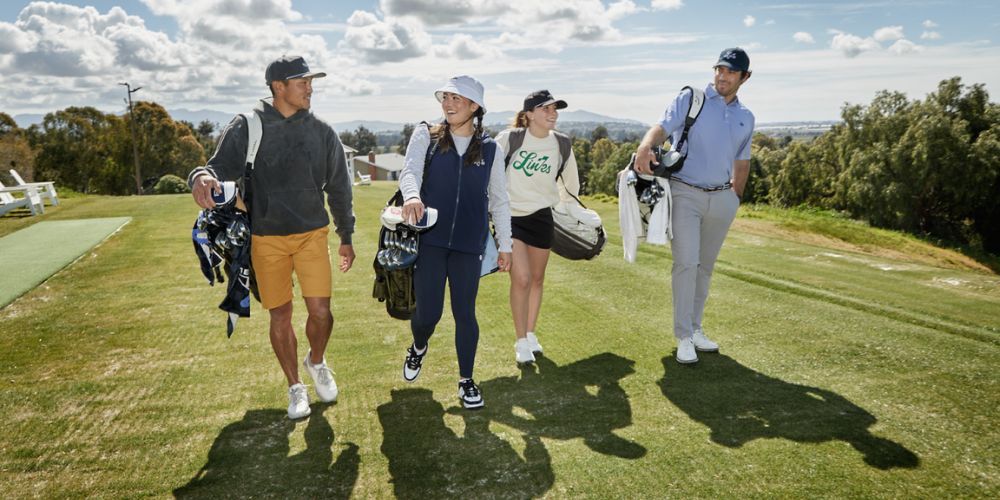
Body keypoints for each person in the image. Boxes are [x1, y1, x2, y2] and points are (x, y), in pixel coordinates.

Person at [188, 55, 356, 419]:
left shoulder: (323, 132)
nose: (310, 88)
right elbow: (215, 167)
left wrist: (346, 234)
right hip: (265, 238)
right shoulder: (247, 127)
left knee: (322, 313)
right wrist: (201, 177)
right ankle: (295, 387)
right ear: (278, 87)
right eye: (302, 82)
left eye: (311, 81)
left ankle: (317, 360)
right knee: (280, 314)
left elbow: (340, 188)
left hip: (312, 233)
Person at [397, 75, 513, 409]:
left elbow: (499, 200)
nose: (448, 104)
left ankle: (466, 381)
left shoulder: (491, 148)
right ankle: (419, 346)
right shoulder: (427, 135)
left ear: (475, 107)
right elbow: (409, 172)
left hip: (469, 244)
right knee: (428, 315)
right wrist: (412, 196)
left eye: (456, 99)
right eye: (445, 97)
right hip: (430, 240)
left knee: (465, 313)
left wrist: (505, 245)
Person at [633, 47, 755, 364]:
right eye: (719, 69)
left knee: (705, 267)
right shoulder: (692, 99)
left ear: (744, 77)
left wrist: (734, 197)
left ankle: (697, 328)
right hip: (684, 192)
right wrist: (647, 144)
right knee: (686, 263)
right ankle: (684, 335)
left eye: (730, 71)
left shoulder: (746, 117)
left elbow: (743, 160)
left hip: (722, 198)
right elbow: (662, 126)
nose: (722, 76)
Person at [494, 90, 581, 365]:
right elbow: (492, 177)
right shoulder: (509, 139)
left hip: (542, 217)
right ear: (529, 114)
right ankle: (520, 341)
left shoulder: (561, 144)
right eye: (545, 109)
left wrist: (574, 215)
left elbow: (570, 186)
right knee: (521, 279)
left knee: (537, 279)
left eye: (555, 109)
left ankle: (531, 333)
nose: (552, 113)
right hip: (511, 218)